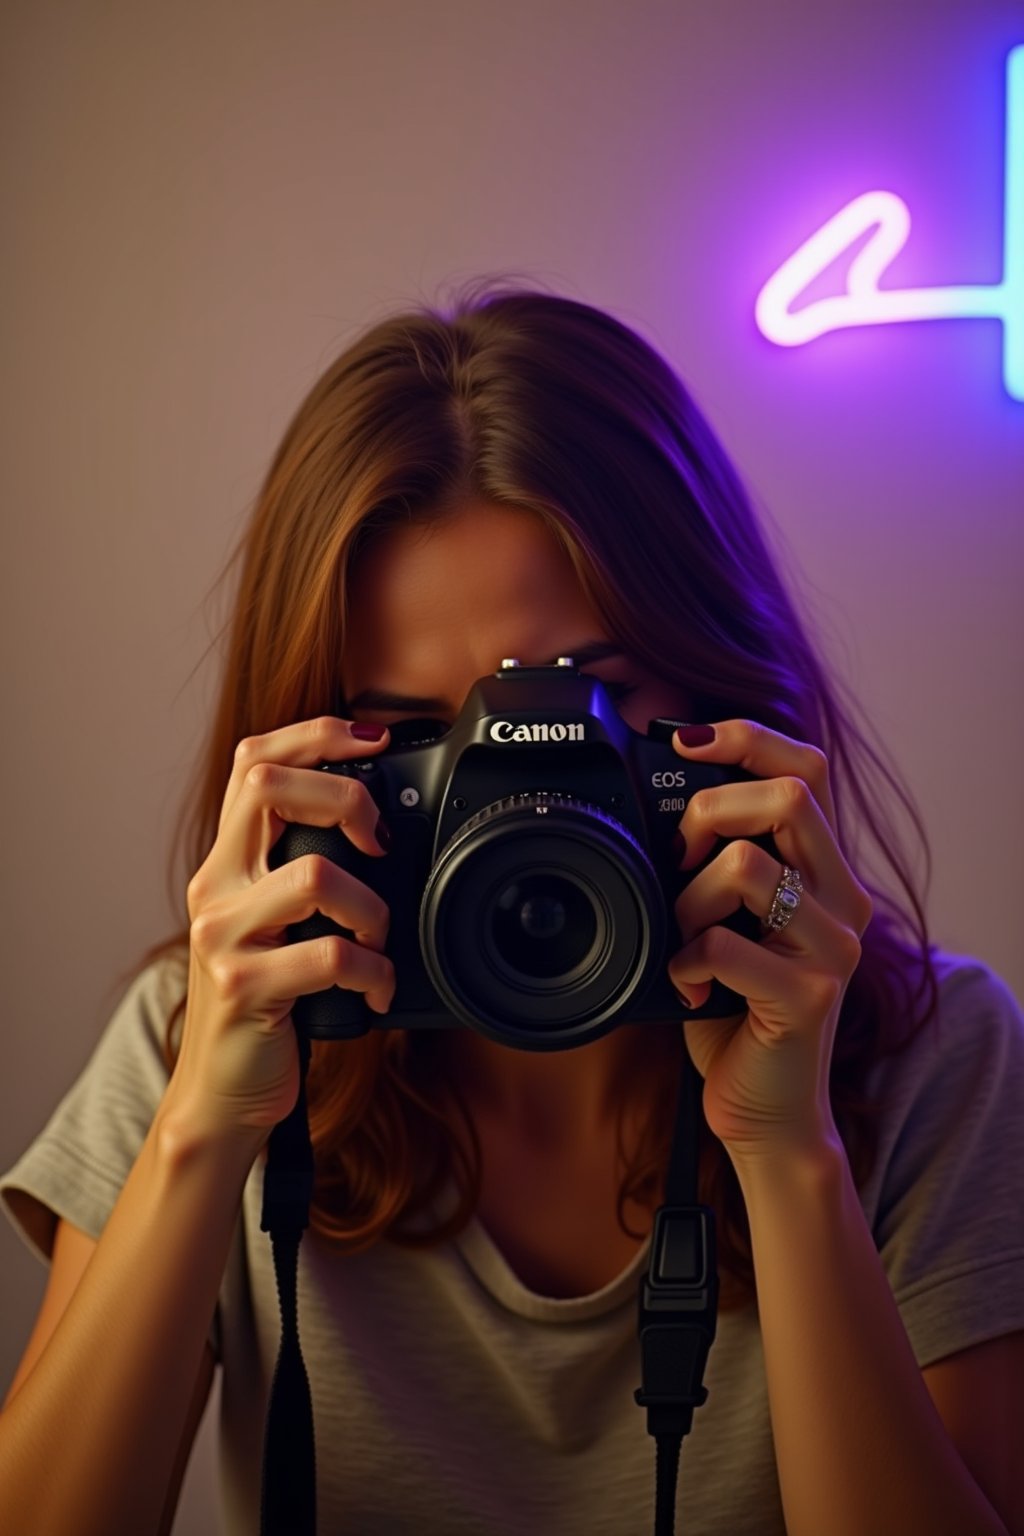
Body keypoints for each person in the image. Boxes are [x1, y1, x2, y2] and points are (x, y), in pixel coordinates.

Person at [1, 282, 1021, 1536]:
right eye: (421, 739)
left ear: (723, 692)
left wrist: (788, 1153)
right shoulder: (202, 1031)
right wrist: (205, 1129)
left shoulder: (931, 1059)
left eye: (580, 707)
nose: (514, 802)